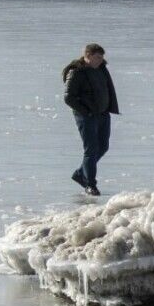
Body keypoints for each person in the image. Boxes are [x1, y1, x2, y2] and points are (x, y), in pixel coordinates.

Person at [62, 43, 119, 196]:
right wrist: (86, 111)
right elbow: (68, 98)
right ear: (87, 56)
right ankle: (90, 184)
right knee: (91, 150)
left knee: (103, 147)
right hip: (86, 116)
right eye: (97, 57)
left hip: (102, 114)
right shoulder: (76, 72)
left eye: (102, 57)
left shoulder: (101, 69)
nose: (100, 60)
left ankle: (81, 174)